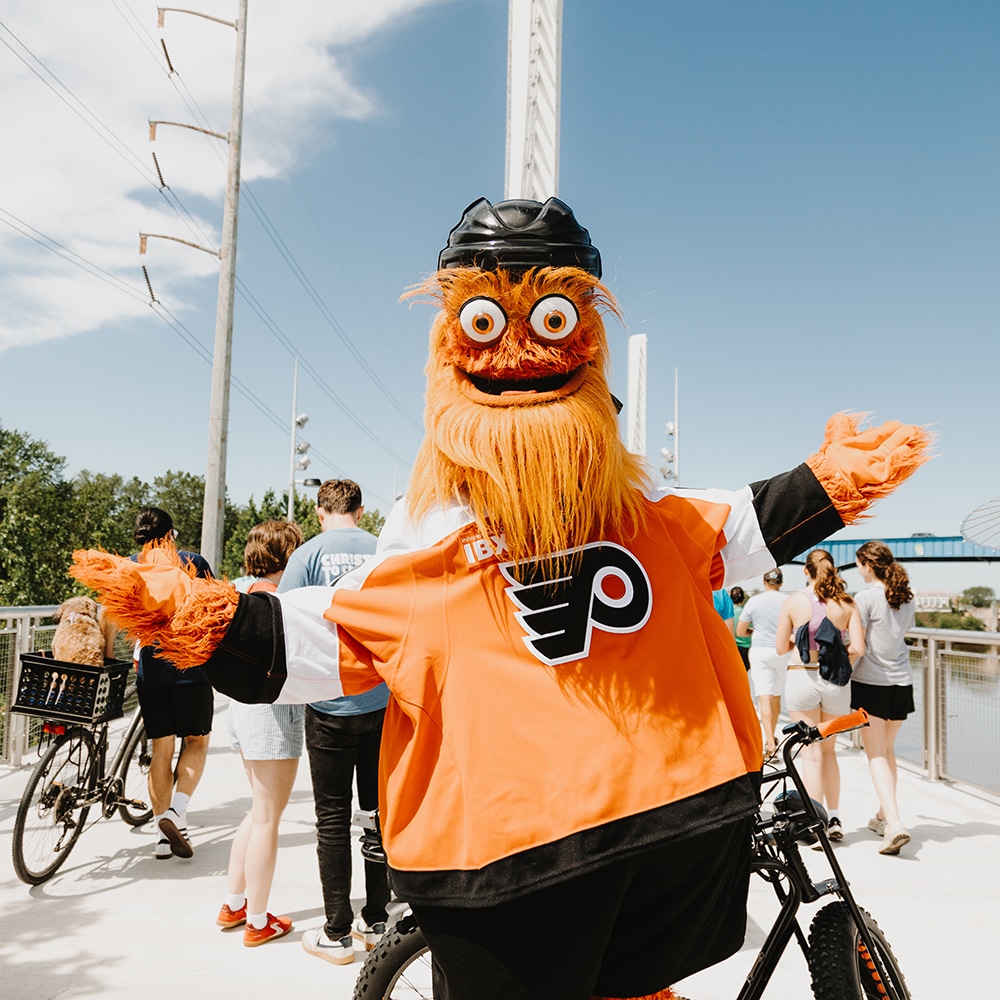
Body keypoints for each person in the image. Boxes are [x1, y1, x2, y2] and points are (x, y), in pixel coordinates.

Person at [74, 196, 931, 1000]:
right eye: (487, 324)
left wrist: (198, 614)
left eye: (551, 320)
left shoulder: (459, 548)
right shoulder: (599, 530)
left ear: (581, 337)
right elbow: (748, 521)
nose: (519, 351)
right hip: (655, 829)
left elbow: (312, 638)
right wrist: (828, 482)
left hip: (511, 853)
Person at [277, 480, 390, 966]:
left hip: (328, 704)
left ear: (320, 511)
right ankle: (381, 917)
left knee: (332, 820)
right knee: (379, 814)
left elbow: (283, 622)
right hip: (381, 701)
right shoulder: (383, 550)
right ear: (360, 512)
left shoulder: (306, 554)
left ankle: (337, 931)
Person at [218, 520, 305, 946]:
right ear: (287, 557)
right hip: (273, 714)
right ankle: (257, 920)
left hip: (241, 712)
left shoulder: (237, 590)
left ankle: (234, 902)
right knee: (269, 818)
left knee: (255, 811)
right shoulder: (279, 601)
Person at [131, 507, 214, 860]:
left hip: (152, 669)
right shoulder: (192, 562)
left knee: (160, 750)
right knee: (195, 741)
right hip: (192, 666)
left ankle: (162, 834)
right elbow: (215, 608)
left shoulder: (131, 567)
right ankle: (177, 813)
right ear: (171, 535)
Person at [776, 550, 864, 842]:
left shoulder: (792, 602)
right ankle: (835, 817)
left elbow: (780, 648)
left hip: (802, 677)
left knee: (810, 755)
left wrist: (800, 640)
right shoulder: (847, 603)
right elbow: (859, 649)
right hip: (835, 682)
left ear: (806, 571)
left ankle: (815, 824)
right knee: (829, 752)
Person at [852, 540, 916, 856]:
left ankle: (894, 824)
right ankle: (881, 815)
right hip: (902, 683)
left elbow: (857, 644)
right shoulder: (905, 598)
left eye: (858, 564)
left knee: (875, 754)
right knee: (888, 751)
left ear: (867, 564)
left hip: (871, 683)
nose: (857, 569)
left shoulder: (865, 598)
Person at [738, 568, 791, 757]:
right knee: (776, 696)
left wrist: (755, 632)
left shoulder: (754, 601)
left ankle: (769, 743)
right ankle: (772, 735)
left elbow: (740, 631)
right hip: (782, 652)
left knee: (764, 697)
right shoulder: (787, 600)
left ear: (764, 582)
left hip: (760, 651)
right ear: (781, 583)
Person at [729, 586, 751, 670]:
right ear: (744, 598)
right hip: (747, 647)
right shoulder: (747, 613)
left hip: (733, 648)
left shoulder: (727, 613)